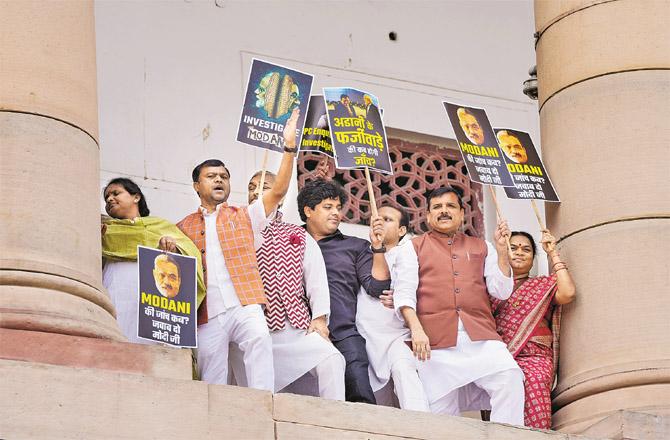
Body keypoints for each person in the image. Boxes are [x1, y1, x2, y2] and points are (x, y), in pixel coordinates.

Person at [177, 108, 300, 390]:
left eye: (224, 176)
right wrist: (166, 245)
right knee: (212, 379)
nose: (219, 180)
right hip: (207, 313)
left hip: (244, 304)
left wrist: (289, 147)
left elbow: (278, 190)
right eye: (211, 176)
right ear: (197, 185)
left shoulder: (244, 215)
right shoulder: (181, 227)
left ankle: (264, 405)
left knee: (259, 340)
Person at [394, 186, 525, 425]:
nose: (444, 211)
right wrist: (417, 330)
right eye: (437, 207)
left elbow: (501, 290)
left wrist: (504, 253)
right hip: (434, 342)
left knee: (510, 377)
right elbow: (404, 294)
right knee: (443, 416)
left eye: (450, 206)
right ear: (428, 215)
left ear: (462, 213)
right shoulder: (411, 248)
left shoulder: (483, 246)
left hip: (481, 337)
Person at [234, 170, 346, 400]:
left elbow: (316, 280)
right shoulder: (235, 229)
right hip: (255, 329)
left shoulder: (298, 234)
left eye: (264, 187)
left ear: (280, 196)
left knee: (332, 359)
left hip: (296, 329)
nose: (256, 192)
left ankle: (334, 424)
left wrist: (319, 318)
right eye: (251, 187)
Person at [297, 179, 391, 404]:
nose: (336, 213)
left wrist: (378, 247)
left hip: (343, 331)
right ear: (308, 211)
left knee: (358, 384)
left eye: (338, 208)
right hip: (297, 331)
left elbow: (377, 288)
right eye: (328, 207)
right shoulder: (291, 242)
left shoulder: (355, 246)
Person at [101, 177, 205, 344]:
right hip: (116, 288)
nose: (110, 199)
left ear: (136, 197)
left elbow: (191, 254)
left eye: (116, 193)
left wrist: (174, 248)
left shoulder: (161, 226)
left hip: (153, 298)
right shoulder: (105, 229)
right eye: (106, 198)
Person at [491, 230, 576, 429]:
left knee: (536, 390)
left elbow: (568, 293)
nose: (520, 252)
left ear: (532, 258)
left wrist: (552, 252)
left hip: (535, 357)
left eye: (526, 249)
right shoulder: (491, 288)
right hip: (500, 357)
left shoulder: (542, 285)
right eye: (513, 248)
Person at [356, 204, 430, 411]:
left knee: (405, 374)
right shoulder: (360, 253)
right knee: (380, 409)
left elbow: (415, 289)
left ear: (402, 231)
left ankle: (422, 430)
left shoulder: (408, 253)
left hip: (399, 335)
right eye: (378, 218)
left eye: (388, 219)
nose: (380, 221)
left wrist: (399, 299)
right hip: (367, 338)